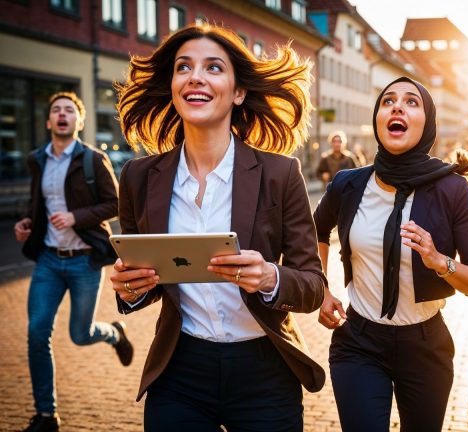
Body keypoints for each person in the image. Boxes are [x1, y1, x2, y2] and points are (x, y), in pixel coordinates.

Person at [111, 23, 326, 431]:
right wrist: (131, 288)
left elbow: (312, 285)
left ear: (238, 91)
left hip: (264, 371)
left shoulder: (281, 174)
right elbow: (149, 282)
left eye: (213, 68)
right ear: (173, 86)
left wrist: (269, 277)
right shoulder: (138, 177)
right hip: (180, 371)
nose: (195, 76)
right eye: (183, 67)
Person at [313, 76, 468, 432]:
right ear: (378, 118)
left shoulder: (452, 188)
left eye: (412, 102)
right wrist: (321, 289)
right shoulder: (348, 184)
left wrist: (440, 262)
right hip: (359, 341)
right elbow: (313, 231)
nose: (397, 106)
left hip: (425, 345)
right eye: (388, 101)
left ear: (427, 123)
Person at [13, 92, 133, 432]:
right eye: (56, 110)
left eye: (69, 110)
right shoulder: (38, 160)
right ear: (49, 121)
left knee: (80, 334)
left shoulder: (93, 160)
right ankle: (46, 415)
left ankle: (114, 333)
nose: (62, 115)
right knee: (37, 333)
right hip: (49, 261)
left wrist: (75, 217)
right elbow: (40, 202)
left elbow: (116, 204)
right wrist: (27, 222)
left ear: (79, 121)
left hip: (85, 260)